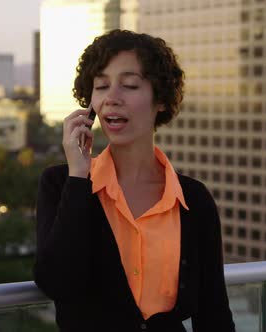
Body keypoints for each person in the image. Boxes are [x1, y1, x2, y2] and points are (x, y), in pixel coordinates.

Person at [34, 29, 235, 332]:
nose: (112, 98)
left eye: (129, 85)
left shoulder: (194, 199)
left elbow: (214, 312)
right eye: (101, 86)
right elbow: (58, 283)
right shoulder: (61, 183)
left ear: (161, 100)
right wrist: (78, 176)